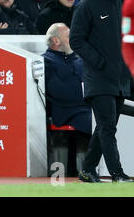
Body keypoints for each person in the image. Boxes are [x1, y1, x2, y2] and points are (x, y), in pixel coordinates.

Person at [70, 0, 133, 183]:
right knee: (107, 128)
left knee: (106, 127)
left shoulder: (123, 4)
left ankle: (87, 169)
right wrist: (100, 62)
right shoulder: (87, 4)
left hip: (119, 78)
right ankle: (117, 174)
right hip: (98, 77)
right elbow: (76, 40)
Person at [43, 22, 92, 176]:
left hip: (83, 106)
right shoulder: (46, 61)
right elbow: (58, 92)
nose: (73, 38)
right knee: (92, 120)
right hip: (63, 110)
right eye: (68, 36)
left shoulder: (79, 59)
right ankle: (86, 170)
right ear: (56, 40)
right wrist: (85, 96)